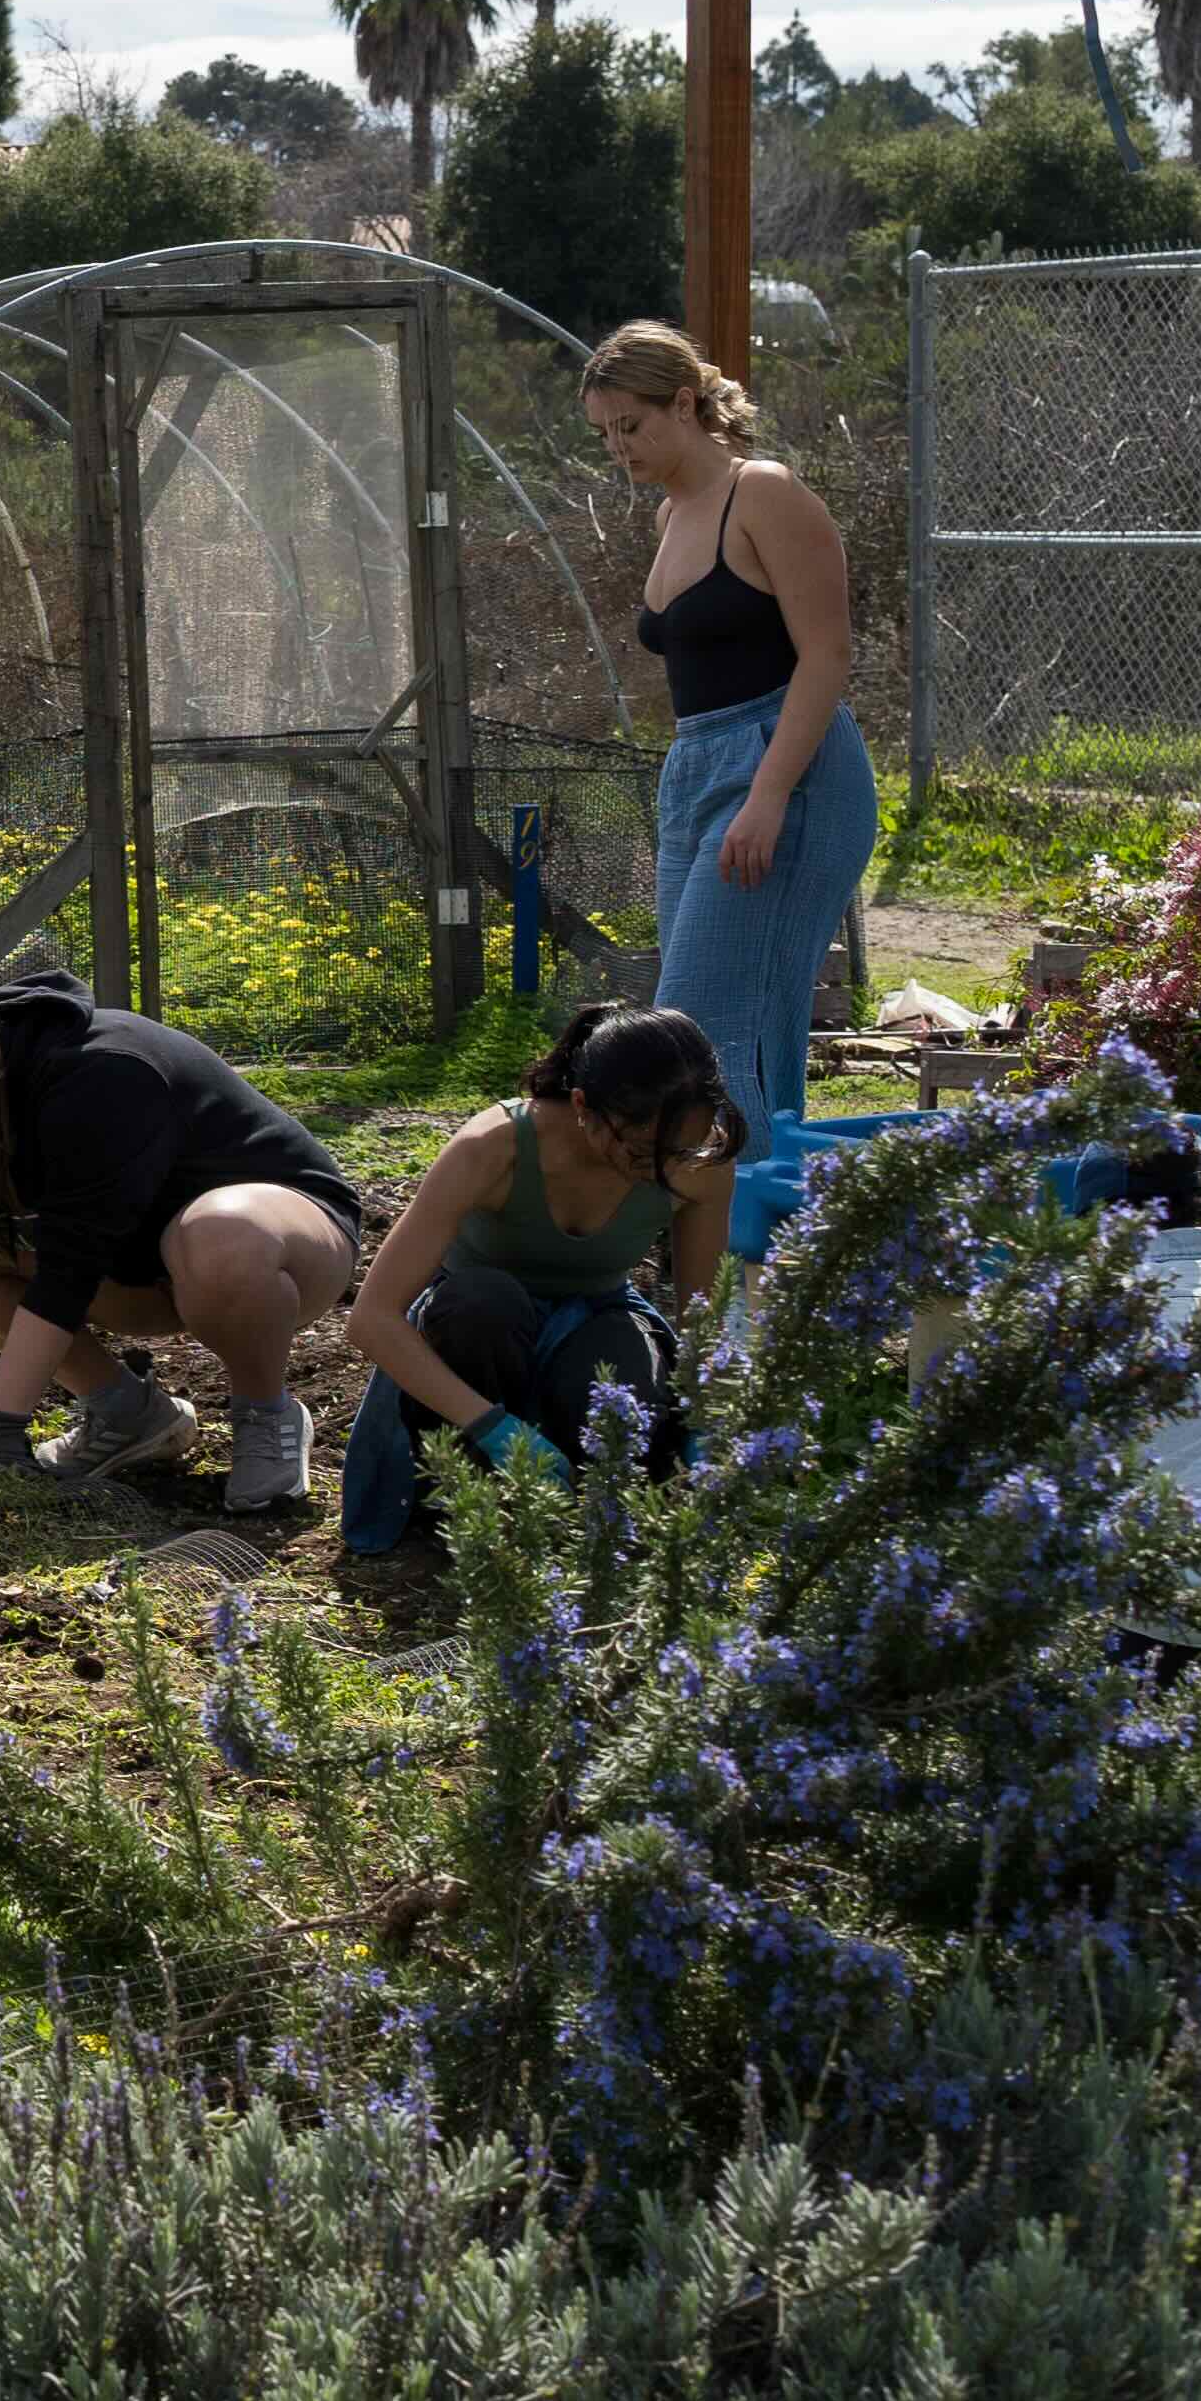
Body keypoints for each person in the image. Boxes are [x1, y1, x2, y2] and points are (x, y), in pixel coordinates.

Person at [0, 973, 365, 1516]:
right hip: (145, 1269)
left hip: (285, 1245)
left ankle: (266, 1413)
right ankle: (126, 1412)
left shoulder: (98, 1072)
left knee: (217, 1236)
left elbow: (70, 1268)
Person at [585, 321, 877, 1159]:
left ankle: (732, 1233)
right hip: (697, 770)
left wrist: (770, 794)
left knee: (707, 1021)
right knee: (708, 1021)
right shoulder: (676, 515)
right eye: (604, 434)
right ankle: (763, 1231)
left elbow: (827, 655)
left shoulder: (767, 494)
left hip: (786, 766)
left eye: (630, 426)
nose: (617, 449)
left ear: (684, 402)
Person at [332, 1001, 733, 1555]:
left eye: (680, 1151)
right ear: (583, 1107)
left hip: (597, 1314)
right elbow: (372, 1320)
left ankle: (572, 1510)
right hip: (478, 1335)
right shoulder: (492, 1149)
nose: (663, 1171)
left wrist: (706, 1416)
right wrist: (492, 1427)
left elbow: (699, 1312)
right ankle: (462, 1497)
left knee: (621, 1389)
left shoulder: (701, 1161)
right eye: (641, 1152)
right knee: (480, 1306)